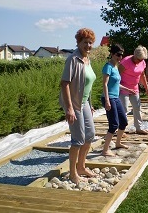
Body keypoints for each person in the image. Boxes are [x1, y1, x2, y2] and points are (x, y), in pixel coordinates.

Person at [59, 28, 97, 184]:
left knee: (90, 135)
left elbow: (86, 84)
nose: (88, 45)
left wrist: (90, 103)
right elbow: (64, 84)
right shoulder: (73, 59)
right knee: (78, 139)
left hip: (84, 102)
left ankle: (81, 166)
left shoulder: (87, 59)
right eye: (85, 42)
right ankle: (73, 173)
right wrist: (69, 109)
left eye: (90, 43)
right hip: (73, 104)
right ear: (78, 42)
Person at [101, 44, 133, 156]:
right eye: (118, 55)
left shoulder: (115, 67)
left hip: (116, 97)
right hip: (109, 98)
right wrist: (107, 100)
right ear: (112, 54)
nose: (120, 57)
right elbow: (105, 84)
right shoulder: (108, 67)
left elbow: (117, 84)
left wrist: (128, 89)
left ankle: (118, 143)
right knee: (114, 124)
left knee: (123, 121)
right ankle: (105, 150)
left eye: (121, 55)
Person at [119, 45, 148, 135]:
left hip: (134, 88)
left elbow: (142, 75)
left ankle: (139, 128)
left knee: (137, 108)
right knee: (124, 109)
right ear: (134, 55)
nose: (140, 61)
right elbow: (117, 75)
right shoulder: (125, 61)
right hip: (123, 88)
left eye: (142, 60)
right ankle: (121, 130)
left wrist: (146, 87)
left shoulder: (142, 62)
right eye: (139, 59)